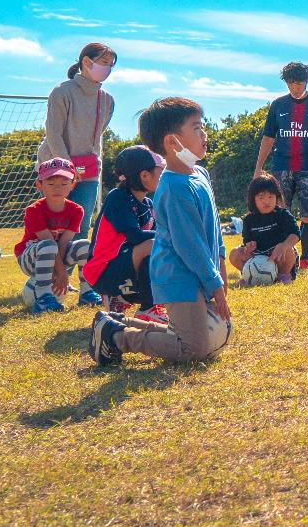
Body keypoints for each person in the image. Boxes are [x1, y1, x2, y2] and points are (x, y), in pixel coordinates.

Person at [89, 97, 231, 367]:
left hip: (199, 275)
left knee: (212, 336)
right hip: (179, 278)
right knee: (194, 348)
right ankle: (116, 337)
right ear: (171, 142)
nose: (205, 133)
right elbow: (190, 247)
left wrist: (220, 262)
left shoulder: (200, 174)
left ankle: (118, 322)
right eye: (197, 127)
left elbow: (213, 225)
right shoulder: (174, 188)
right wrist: (216, 286)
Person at [39, 41, 116, 306]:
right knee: (53, 226)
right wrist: (67, 168)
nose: (106, 68)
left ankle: (84, 287)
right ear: (86, 62)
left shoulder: (107, 100)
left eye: (110, 65)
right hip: (56, 168)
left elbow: (97, 140)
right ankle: (49, 282)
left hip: (89, 171)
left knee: (81, 226)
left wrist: (88, 168)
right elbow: (54, 133)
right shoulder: (62, 92)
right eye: (103, 62)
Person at [254, 62, 308, 269]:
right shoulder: (278, 105)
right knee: (281, 211)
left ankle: (305, 258)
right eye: (291, 83)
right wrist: (258, 167)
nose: (295, 87)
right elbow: (268, 137)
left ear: (307, 81)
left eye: (299, 83)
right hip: (281, 165)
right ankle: (284, 256)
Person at [85, 145, 161, 315]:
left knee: (162, 250)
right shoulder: (118, 197)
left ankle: (121, 298)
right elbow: (135, 236)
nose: (162, 176)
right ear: (144, 175)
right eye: (160, 171)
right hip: (102, 272)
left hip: (124, 269)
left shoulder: (148, 204)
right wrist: (173, 236)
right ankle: (148, 309)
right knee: (154, 245)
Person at [18, 159, 87, 313]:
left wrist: (59, 270)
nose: (57, 187)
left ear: (73, 185)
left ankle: (87, 292)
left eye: (64, 183)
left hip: (57, 255)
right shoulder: (33, 210)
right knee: (49, 245)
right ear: (39, 185)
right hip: (31, 259)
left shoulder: (77, 210)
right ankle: (43, 298)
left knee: (84, 245)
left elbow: (64, 242)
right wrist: (62, 273)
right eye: (51, 183)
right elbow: (49, 241)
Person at [230, 172, 304, 282]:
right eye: (261, 197)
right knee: (234, 254)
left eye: (270, 196)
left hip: (278, 255)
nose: (267, 201)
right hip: (258, 255)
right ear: (253, 199)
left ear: (277, 197)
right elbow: (247, 241)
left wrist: (283, 245)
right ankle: (250, 275)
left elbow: (296, 234)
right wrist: (250, 245)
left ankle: (283, 275)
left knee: (288, 250)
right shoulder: (248, 220)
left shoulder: (283, 214)